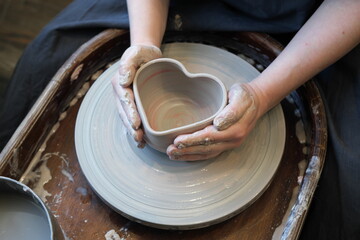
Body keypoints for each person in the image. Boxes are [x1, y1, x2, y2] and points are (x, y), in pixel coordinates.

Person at [0, 0, 359, 239]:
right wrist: (144, 43)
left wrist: (263, 94)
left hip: (312, 23)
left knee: (347, 190)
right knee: (42, 63)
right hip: (177, 4)